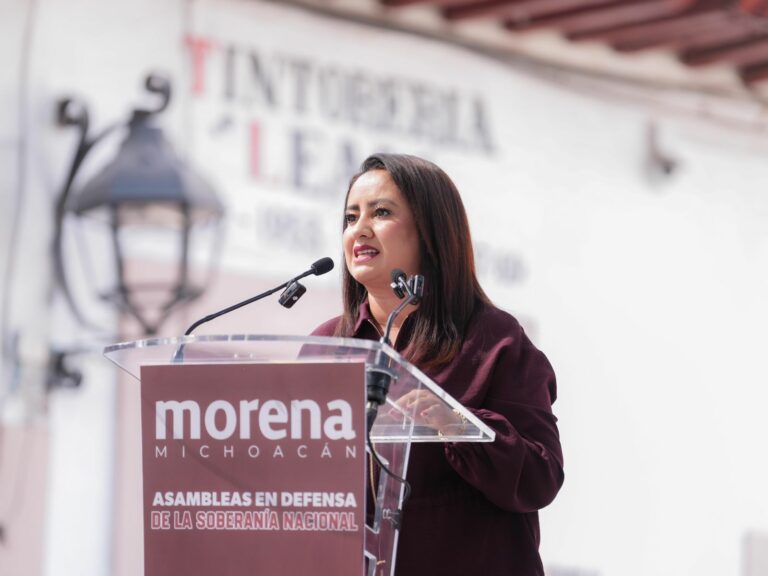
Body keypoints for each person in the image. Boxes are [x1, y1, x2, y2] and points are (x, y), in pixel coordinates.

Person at [311, 153, 564, 576]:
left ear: (431, 231)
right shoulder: (326, 347)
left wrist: (456, 424)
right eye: (351, 217)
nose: (360, 229)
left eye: (381, 213)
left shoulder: (492, 339)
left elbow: (540, 477)